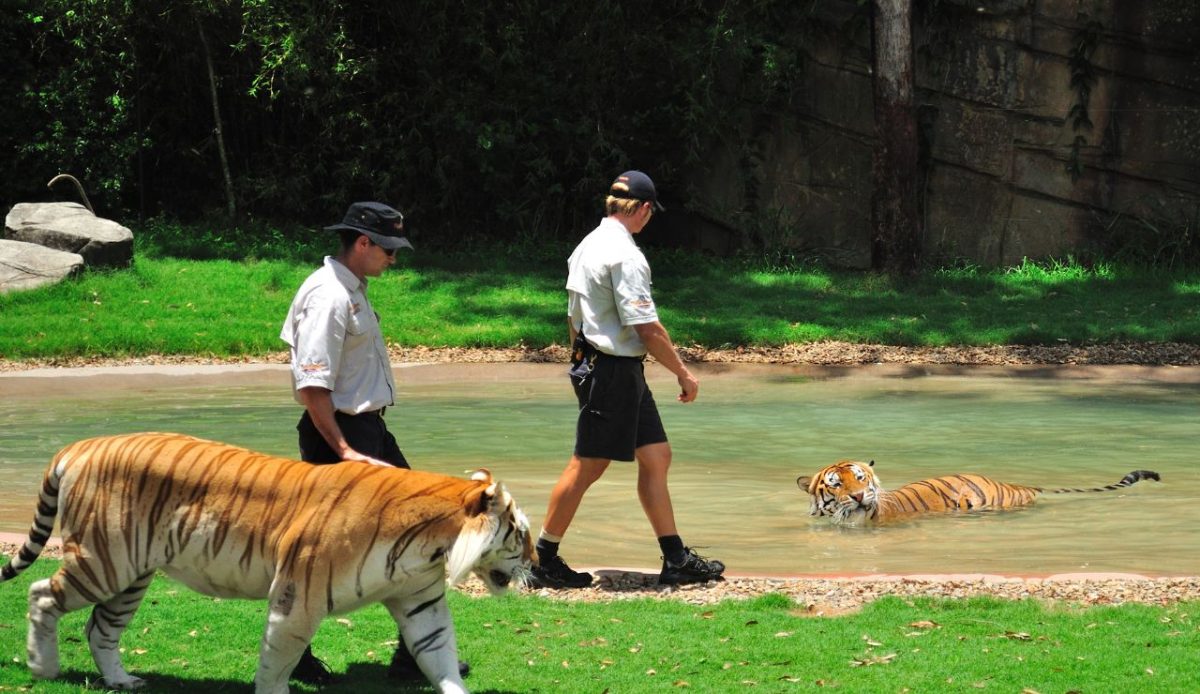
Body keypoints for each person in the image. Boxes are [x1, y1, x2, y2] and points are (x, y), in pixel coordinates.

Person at [279, 201, 468, 684]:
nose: (394, 258)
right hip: (342, 438)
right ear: (361, 243)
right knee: (324, 555)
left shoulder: (351, 289)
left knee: (419, 532)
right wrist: (343, 451)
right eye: (387, 249)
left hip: (369, 432)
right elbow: (312, 388)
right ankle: (290, 651)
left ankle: (412, 654)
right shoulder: (327, 296)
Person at [530, 171, 726, 590]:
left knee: (656, 456)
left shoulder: (587, 245)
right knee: (587, 465)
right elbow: (647, 328)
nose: (649, 218)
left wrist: (582, 361)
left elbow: (573, 315)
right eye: (650, 212)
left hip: (606, 365)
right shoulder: (626, 256)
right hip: (613, 370)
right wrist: (684, 373)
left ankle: (675, 558)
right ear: (641, 209)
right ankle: (541, 560)